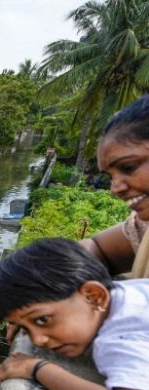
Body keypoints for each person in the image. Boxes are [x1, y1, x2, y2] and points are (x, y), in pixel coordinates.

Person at [0, 237, 149, 390]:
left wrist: (36, 368)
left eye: (43, 319)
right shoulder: (133, 294)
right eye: (25, 329)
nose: (37, 341)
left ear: (94, 296)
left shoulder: (120, 338)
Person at [84, 94, 149, 278]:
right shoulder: (144, 227)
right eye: (110, 176)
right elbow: (96, 248)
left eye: (128, 167)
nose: (115, 189)